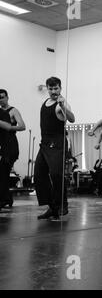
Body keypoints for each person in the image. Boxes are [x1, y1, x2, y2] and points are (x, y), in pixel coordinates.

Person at [34, 77, 75, 219]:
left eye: (56, 88)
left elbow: (72, 118)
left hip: (57, 143)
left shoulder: (61, 104)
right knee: (39, 174)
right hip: (45, 143)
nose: (53, 91)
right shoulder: (45, 102)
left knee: (56, 174)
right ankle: (52, 207)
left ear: (60, 88)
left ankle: (62, 204)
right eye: (50, 89)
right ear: (47, 89)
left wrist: (63, 106)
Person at [0, 89, 26, 208]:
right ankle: (7, 199)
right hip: (2, 145)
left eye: (3, 97)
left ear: (7, 97)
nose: (1, 99)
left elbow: (22, 126)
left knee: (3, 172)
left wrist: (8, 127)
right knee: (3, 173)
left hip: (11, 145)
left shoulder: (13, 110)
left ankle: (5, 199)